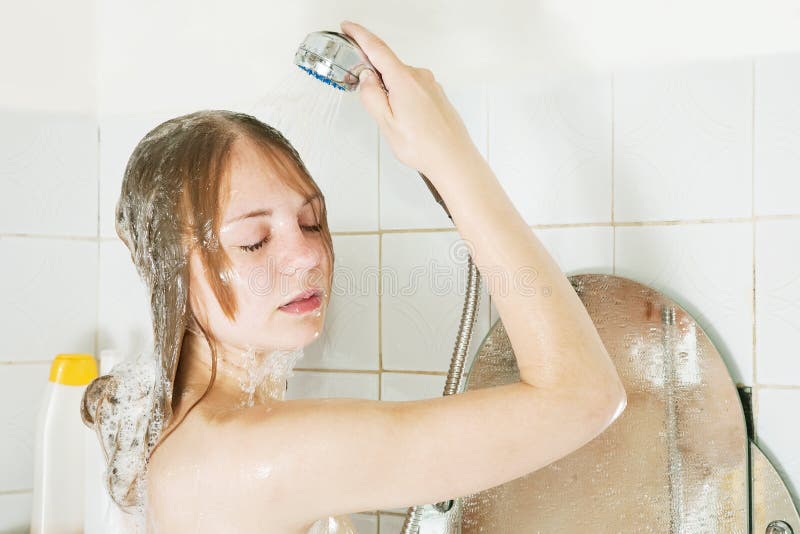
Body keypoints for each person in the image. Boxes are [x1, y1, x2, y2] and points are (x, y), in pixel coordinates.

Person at [81, 20, 627, 533]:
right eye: (254, 240)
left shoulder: (196, 432)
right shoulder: (256, 455)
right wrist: (448, 151)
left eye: (311, 222)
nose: (306, 256)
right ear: (171, 271)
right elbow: (582, 396)